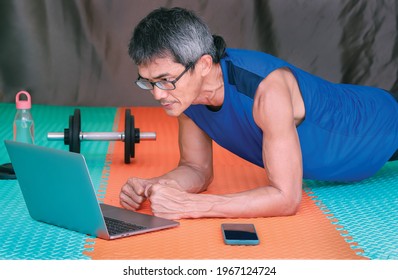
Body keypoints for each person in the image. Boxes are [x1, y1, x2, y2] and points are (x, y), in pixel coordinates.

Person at [119, 7, 398, 220]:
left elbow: (286, 198)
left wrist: (191, 206)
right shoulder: (185, 97)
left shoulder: (266, 91)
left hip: (376, 129)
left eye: (165, 80)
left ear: (204, 64)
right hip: (355, 121)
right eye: (149, 82)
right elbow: (197, 170)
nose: (157, 94)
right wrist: (153, 186)